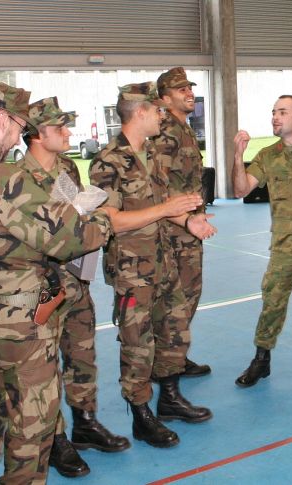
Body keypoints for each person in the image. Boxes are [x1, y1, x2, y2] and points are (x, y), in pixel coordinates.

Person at [0, 81, 114, 485]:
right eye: (16, 123)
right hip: (25, 322)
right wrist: (100, 217)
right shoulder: (5, 178)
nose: (18, 132)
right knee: (33, 425)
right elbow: (71, 241)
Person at [89, 82, 216, 448]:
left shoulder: (151, 155)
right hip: (132, 269)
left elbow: (162, 203)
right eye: (157, 110)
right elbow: (109, 219)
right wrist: (167, 210)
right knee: (138, 343)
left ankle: (170, 397)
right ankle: (142, 414)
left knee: (175, 330)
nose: (163, 115)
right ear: (140, 112)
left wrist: (189, 222)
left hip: (164, 259)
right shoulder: (107, 162)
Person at [18, 97, 130, 479]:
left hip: (76, 278)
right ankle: (55, 441)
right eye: (59, 127)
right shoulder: (18, 179)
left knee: (82, 354)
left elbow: (75, 213)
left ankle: (85, 422)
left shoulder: (65, 166)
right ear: (37, 135)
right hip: (43, 285)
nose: (68, 133)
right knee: (44, 367)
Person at [230, 95, 292, 388]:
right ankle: (261, 360)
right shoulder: (268, 155)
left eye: (283, 112)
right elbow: (241, 190)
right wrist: (238, 155)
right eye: (273, 112)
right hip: (286, 245)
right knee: (272, 302)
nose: (275, 117)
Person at [153, 67, 211, 379]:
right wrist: (186, 218)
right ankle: (164, 363)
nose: (189, 93)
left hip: (189, 227)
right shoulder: (166, 132)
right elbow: (158, 186)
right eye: (180, 90)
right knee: (175, 299)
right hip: (173, 231)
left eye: (189, 88)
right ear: (164, 99)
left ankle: (176, 354)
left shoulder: (183, 128)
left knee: (189, 293)